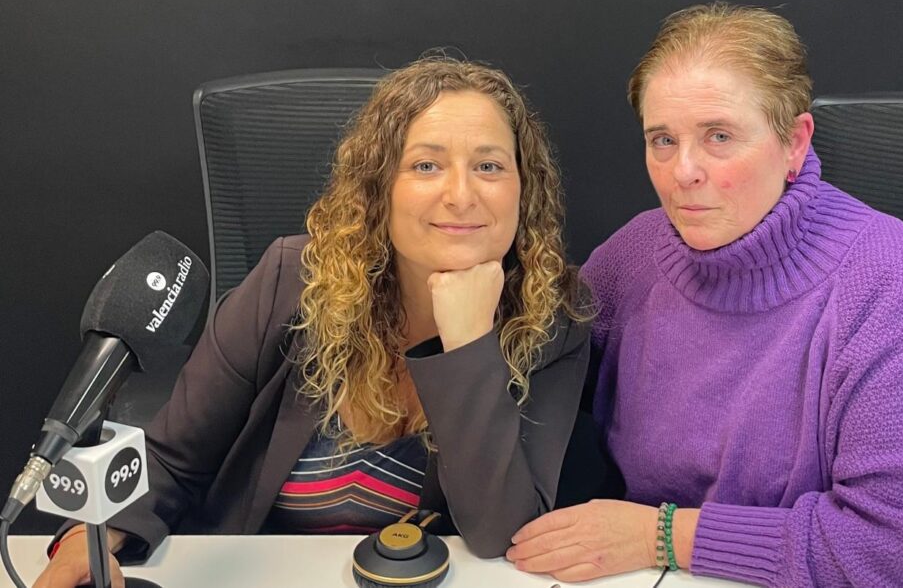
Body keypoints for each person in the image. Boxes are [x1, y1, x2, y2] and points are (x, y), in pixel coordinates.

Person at [34, 56, 592, 588]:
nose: (462, 195)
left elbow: (501, 531)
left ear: (524, 188)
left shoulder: (554, 316)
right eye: (426, 165)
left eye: (489, 166)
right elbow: (171, 460)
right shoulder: (289, 282)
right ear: (379, 188)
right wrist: (86, 541)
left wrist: (468, 344)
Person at [507, 3, 903, 587]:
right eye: (663, 140)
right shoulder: (633, 257)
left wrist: (659, 535)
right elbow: (523, 395)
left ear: (794, 143)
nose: (683, 171)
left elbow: (887, 554)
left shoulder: (895, 286)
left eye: (719, 137)